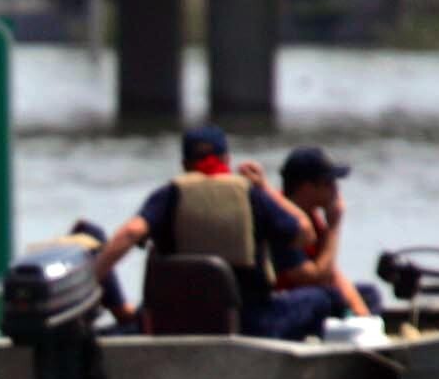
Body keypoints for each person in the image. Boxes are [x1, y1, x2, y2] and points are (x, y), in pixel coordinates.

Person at [90, 124, 341, 341]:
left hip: (176, 323)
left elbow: (132, 231)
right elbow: (304, 234)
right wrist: (265, 189)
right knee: (321, 298)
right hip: (249, 323)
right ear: (227, 159)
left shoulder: (169, 195)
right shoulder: (250, 195)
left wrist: (93, 277)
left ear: (185, 163)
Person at [276, 145, 383, 319]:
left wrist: (362, 314)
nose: (336, 189)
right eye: (328, 183)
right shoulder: (281, 218)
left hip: (310, 294)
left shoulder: (311, 214)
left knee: (368, 294)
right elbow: (316, 278)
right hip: (286, 301)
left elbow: (331, 272)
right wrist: (334, 227)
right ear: (306, 187)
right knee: (328, 297)